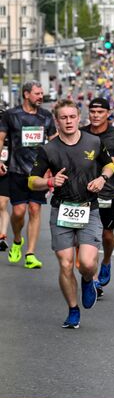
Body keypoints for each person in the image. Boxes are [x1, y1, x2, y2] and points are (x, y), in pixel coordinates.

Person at [29, 99, 114, 329]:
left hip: (89, 209)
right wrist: (49, 181)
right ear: (56, 121)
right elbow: (32, 181)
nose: (68, 121)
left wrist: (102, 178)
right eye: (63, 118)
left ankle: (88, 280)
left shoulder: (94, 141)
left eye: (72, 117)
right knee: (66, 264)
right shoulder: (48, 148)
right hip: (62, 210)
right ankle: (72, 309)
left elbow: (109, 165)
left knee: (87, 263)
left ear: (79, 118)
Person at [1, 80, 58, 269]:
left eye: (42, 93)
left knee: (34, 209)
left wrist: (55, 166)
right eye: (37, 93)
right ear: (26, 95)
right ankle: (17, 240)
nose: (41, 96)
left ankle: (30, 254)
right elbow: (1, 138)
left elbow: (53, 142)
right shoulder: (11, 115)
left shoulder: (46, 116)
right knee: (18, 212)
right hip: (16, 170)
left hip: (38, 172)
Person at [83, 97, 114, 294]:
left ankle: (107, 261)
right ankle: (93, 279)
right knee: (87, 236)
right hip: (83, 193)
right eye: (92, 112)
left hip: (108, 193)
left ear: (108, 114)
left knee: (106, 235)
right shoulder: (81, 133)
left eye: (100, 112)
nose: (96, 115)